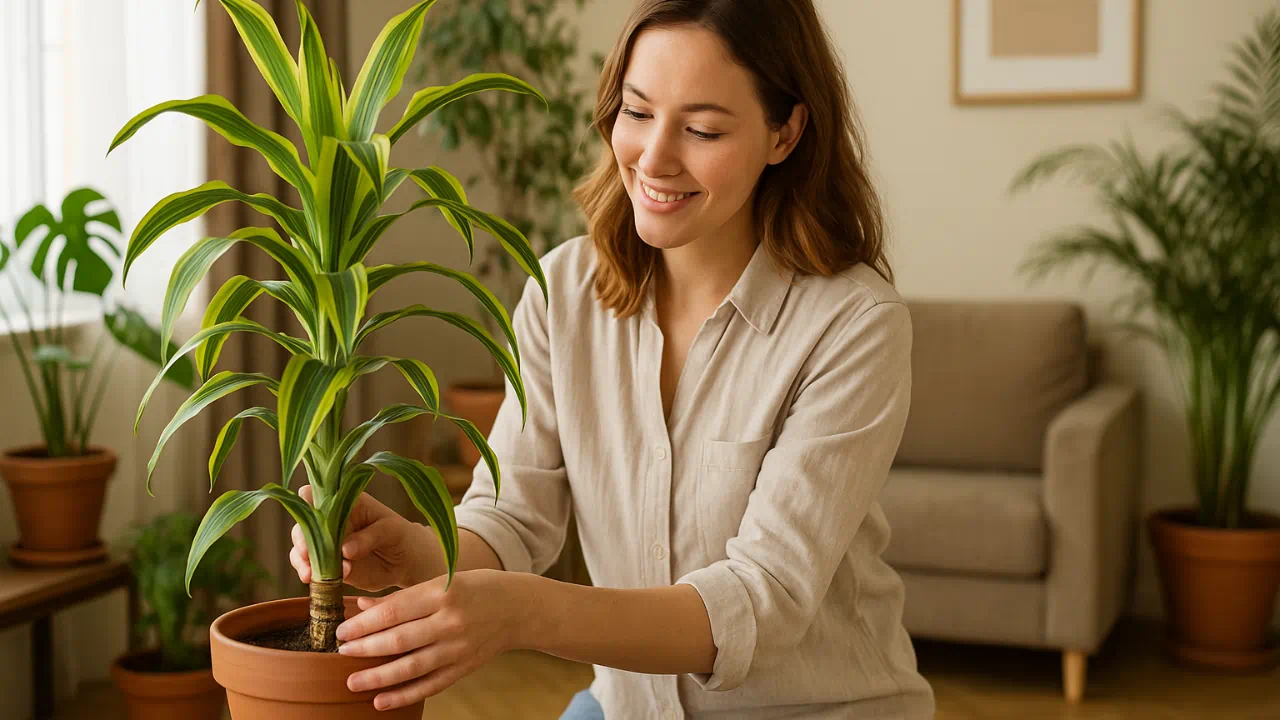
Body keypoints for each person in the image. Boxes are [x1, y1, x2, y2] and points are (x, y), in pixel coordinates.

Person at [290, 0, 935, 717]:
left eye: (702, 129)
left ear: (784, 132)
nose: (654, 158)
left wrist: (523, 614)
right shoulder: (562, 294)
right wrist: (414, 552)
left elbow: (762, 599)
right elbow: (512, 519)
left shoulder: (851, 324)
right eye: (636, 112)